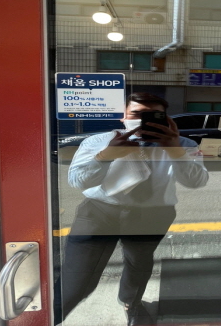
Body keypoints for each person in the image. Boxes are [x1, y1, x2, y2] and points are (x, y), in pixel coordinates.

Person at [55, 92, 209, 326]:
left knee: (139, 263)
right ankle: (53, 314)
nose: (143, 120)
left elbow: (196, 182)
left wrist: (175, 151)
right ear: (123, 116)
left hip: (153, 214)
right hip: (99, 212)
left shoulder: (184, 145)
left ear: (166, 118)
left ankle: (131, 303)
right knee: (77, 275)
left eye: (153, 115)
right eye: (137, 114)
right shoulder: (98, 142)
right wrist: (106, 155)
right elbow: (77, 181)